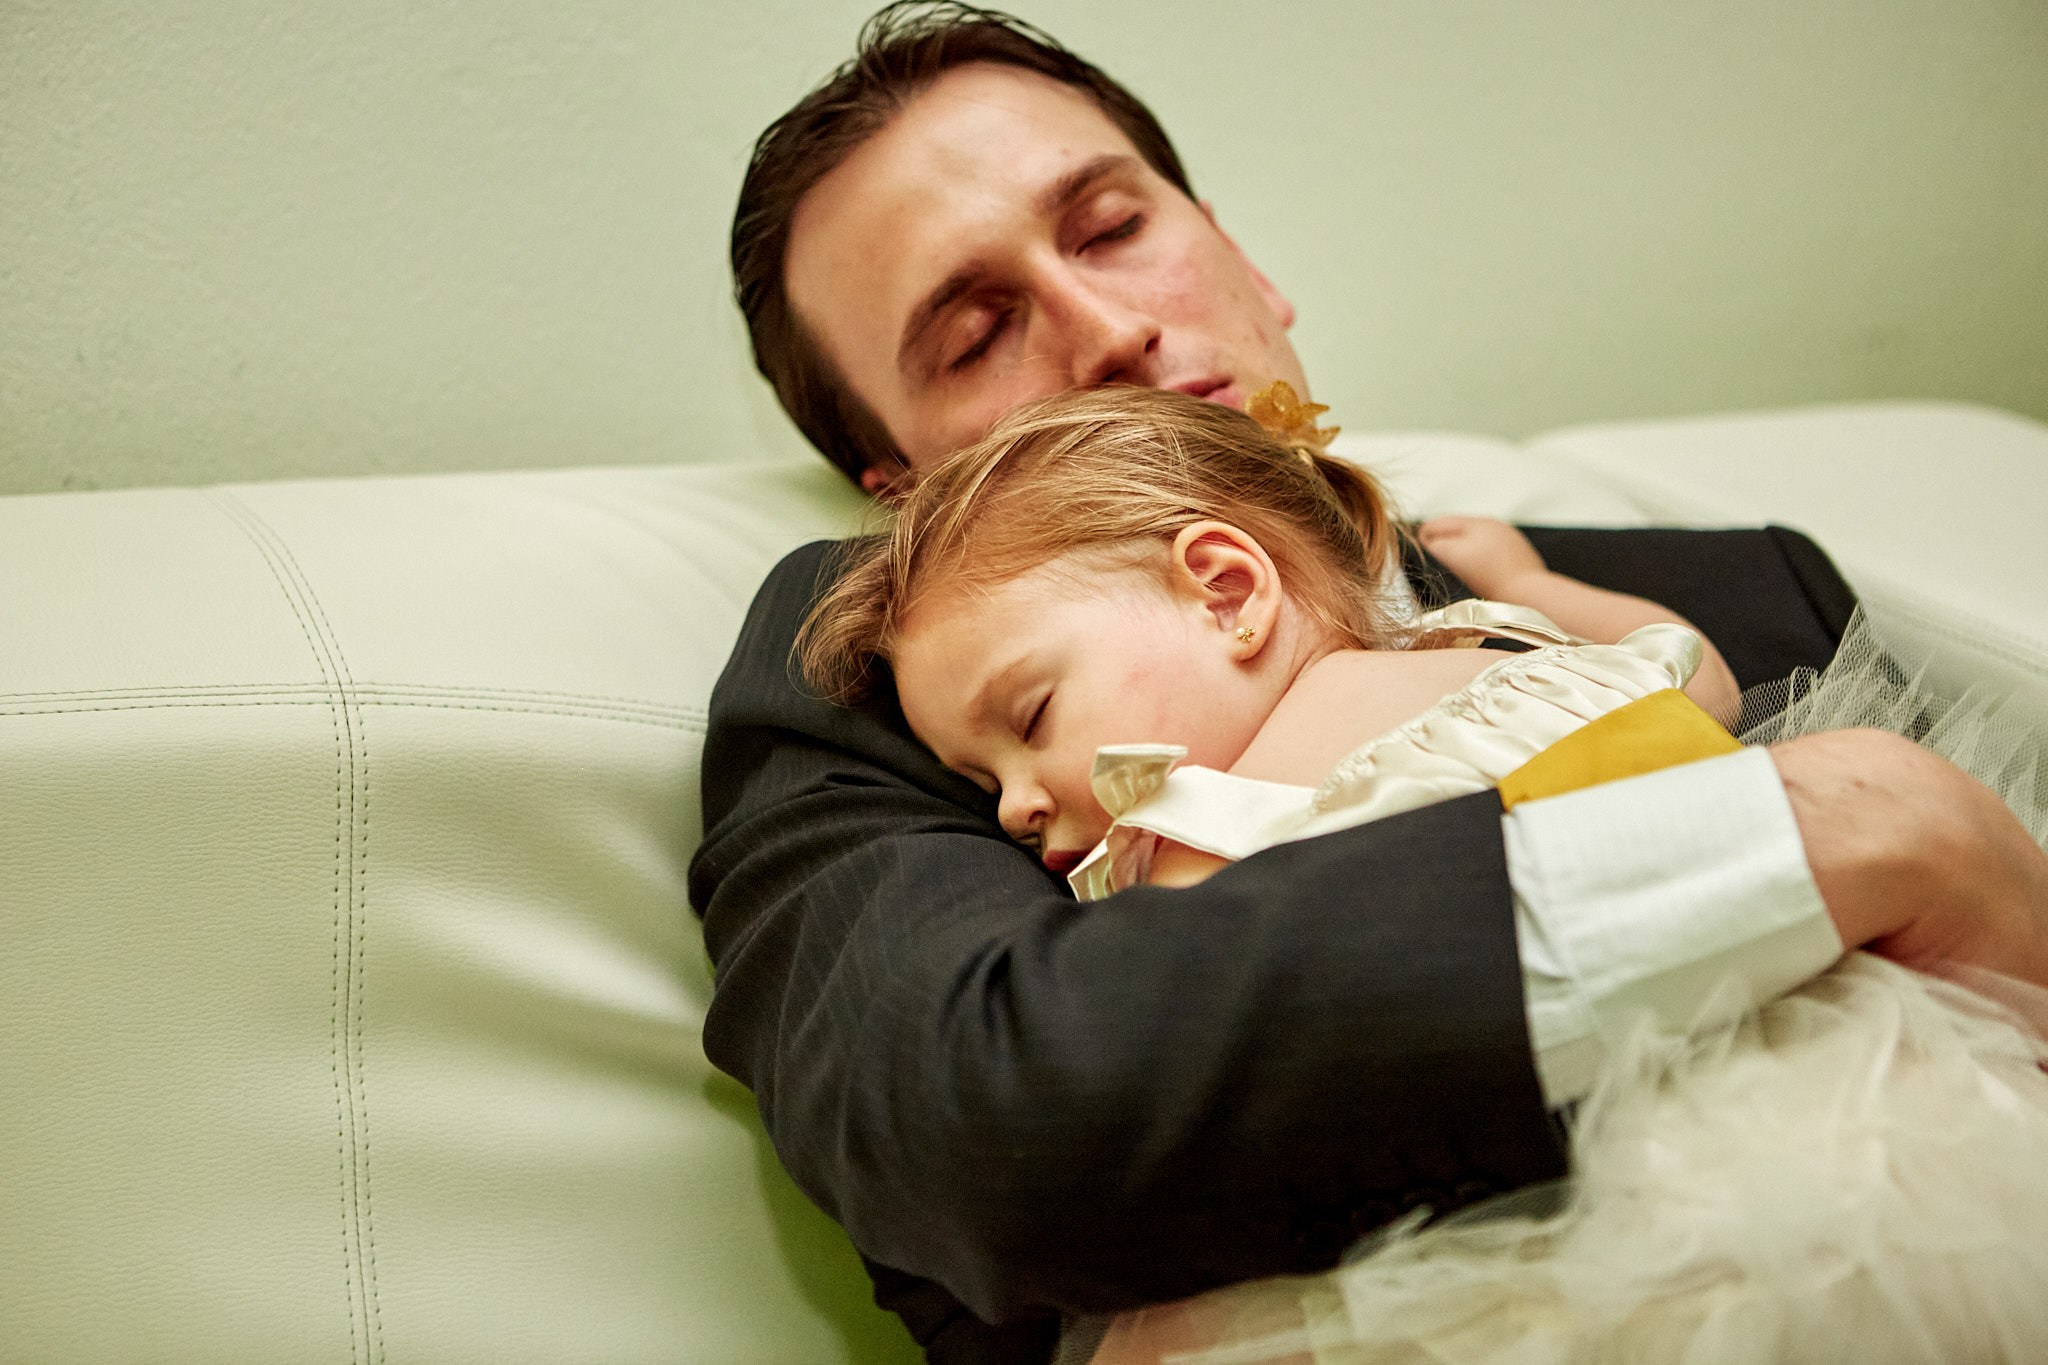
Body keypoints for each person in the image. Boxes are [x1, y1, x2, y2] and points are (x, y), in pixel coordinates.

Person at [691, 4, 2048, 1358]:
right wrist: (1833, 832)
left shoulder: (1743, 586)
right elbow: (985, 1122)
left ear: (1242, 259)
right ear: (907, 494)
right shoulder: (868, 665)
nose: (1106, 330)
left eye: (1113, 230)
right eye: (974, 333)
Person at [796, 384, 2048, 1363]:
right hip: (1832, 1126)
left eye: (1031, 714)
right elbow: (1693, 673)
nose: (1014, 806)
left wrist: (1516, 584)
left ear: (1227, 591)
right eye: (981, 784)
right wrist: (1530, 586)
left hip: (1749, 1114)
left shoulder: (1189, 809)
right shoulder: (1503, 649)